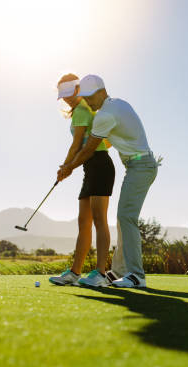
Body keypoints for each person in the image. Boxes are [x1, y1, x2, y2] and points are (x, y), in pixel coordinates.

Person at [57, 74, 159, 288]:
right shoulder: (117, 105)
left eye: (90, 96)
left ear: (101, 92)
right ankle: (119, 272)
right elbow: (110, 141)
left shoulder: (104, 114)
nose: (88, 101)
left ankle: (136, 275)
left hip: (141, 165)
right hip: (137, 165)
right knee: (123, 219)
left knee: (125, 217)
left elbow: (87, 150)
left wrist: (68, 168)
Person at [48, 74, 117, 287]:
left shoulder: (81, 110)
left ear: (78, 89)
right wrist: (67, 167)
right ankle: (75, 273)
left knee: (99, 220)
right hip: (90, 167)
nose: (66, 98)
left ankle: (100, 273)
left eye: (69, 93)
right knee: (84, 223)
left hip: (100, 165)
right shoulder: (83, 110)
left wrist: (66, 166)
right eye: (63, 95)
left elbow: (77, 144)